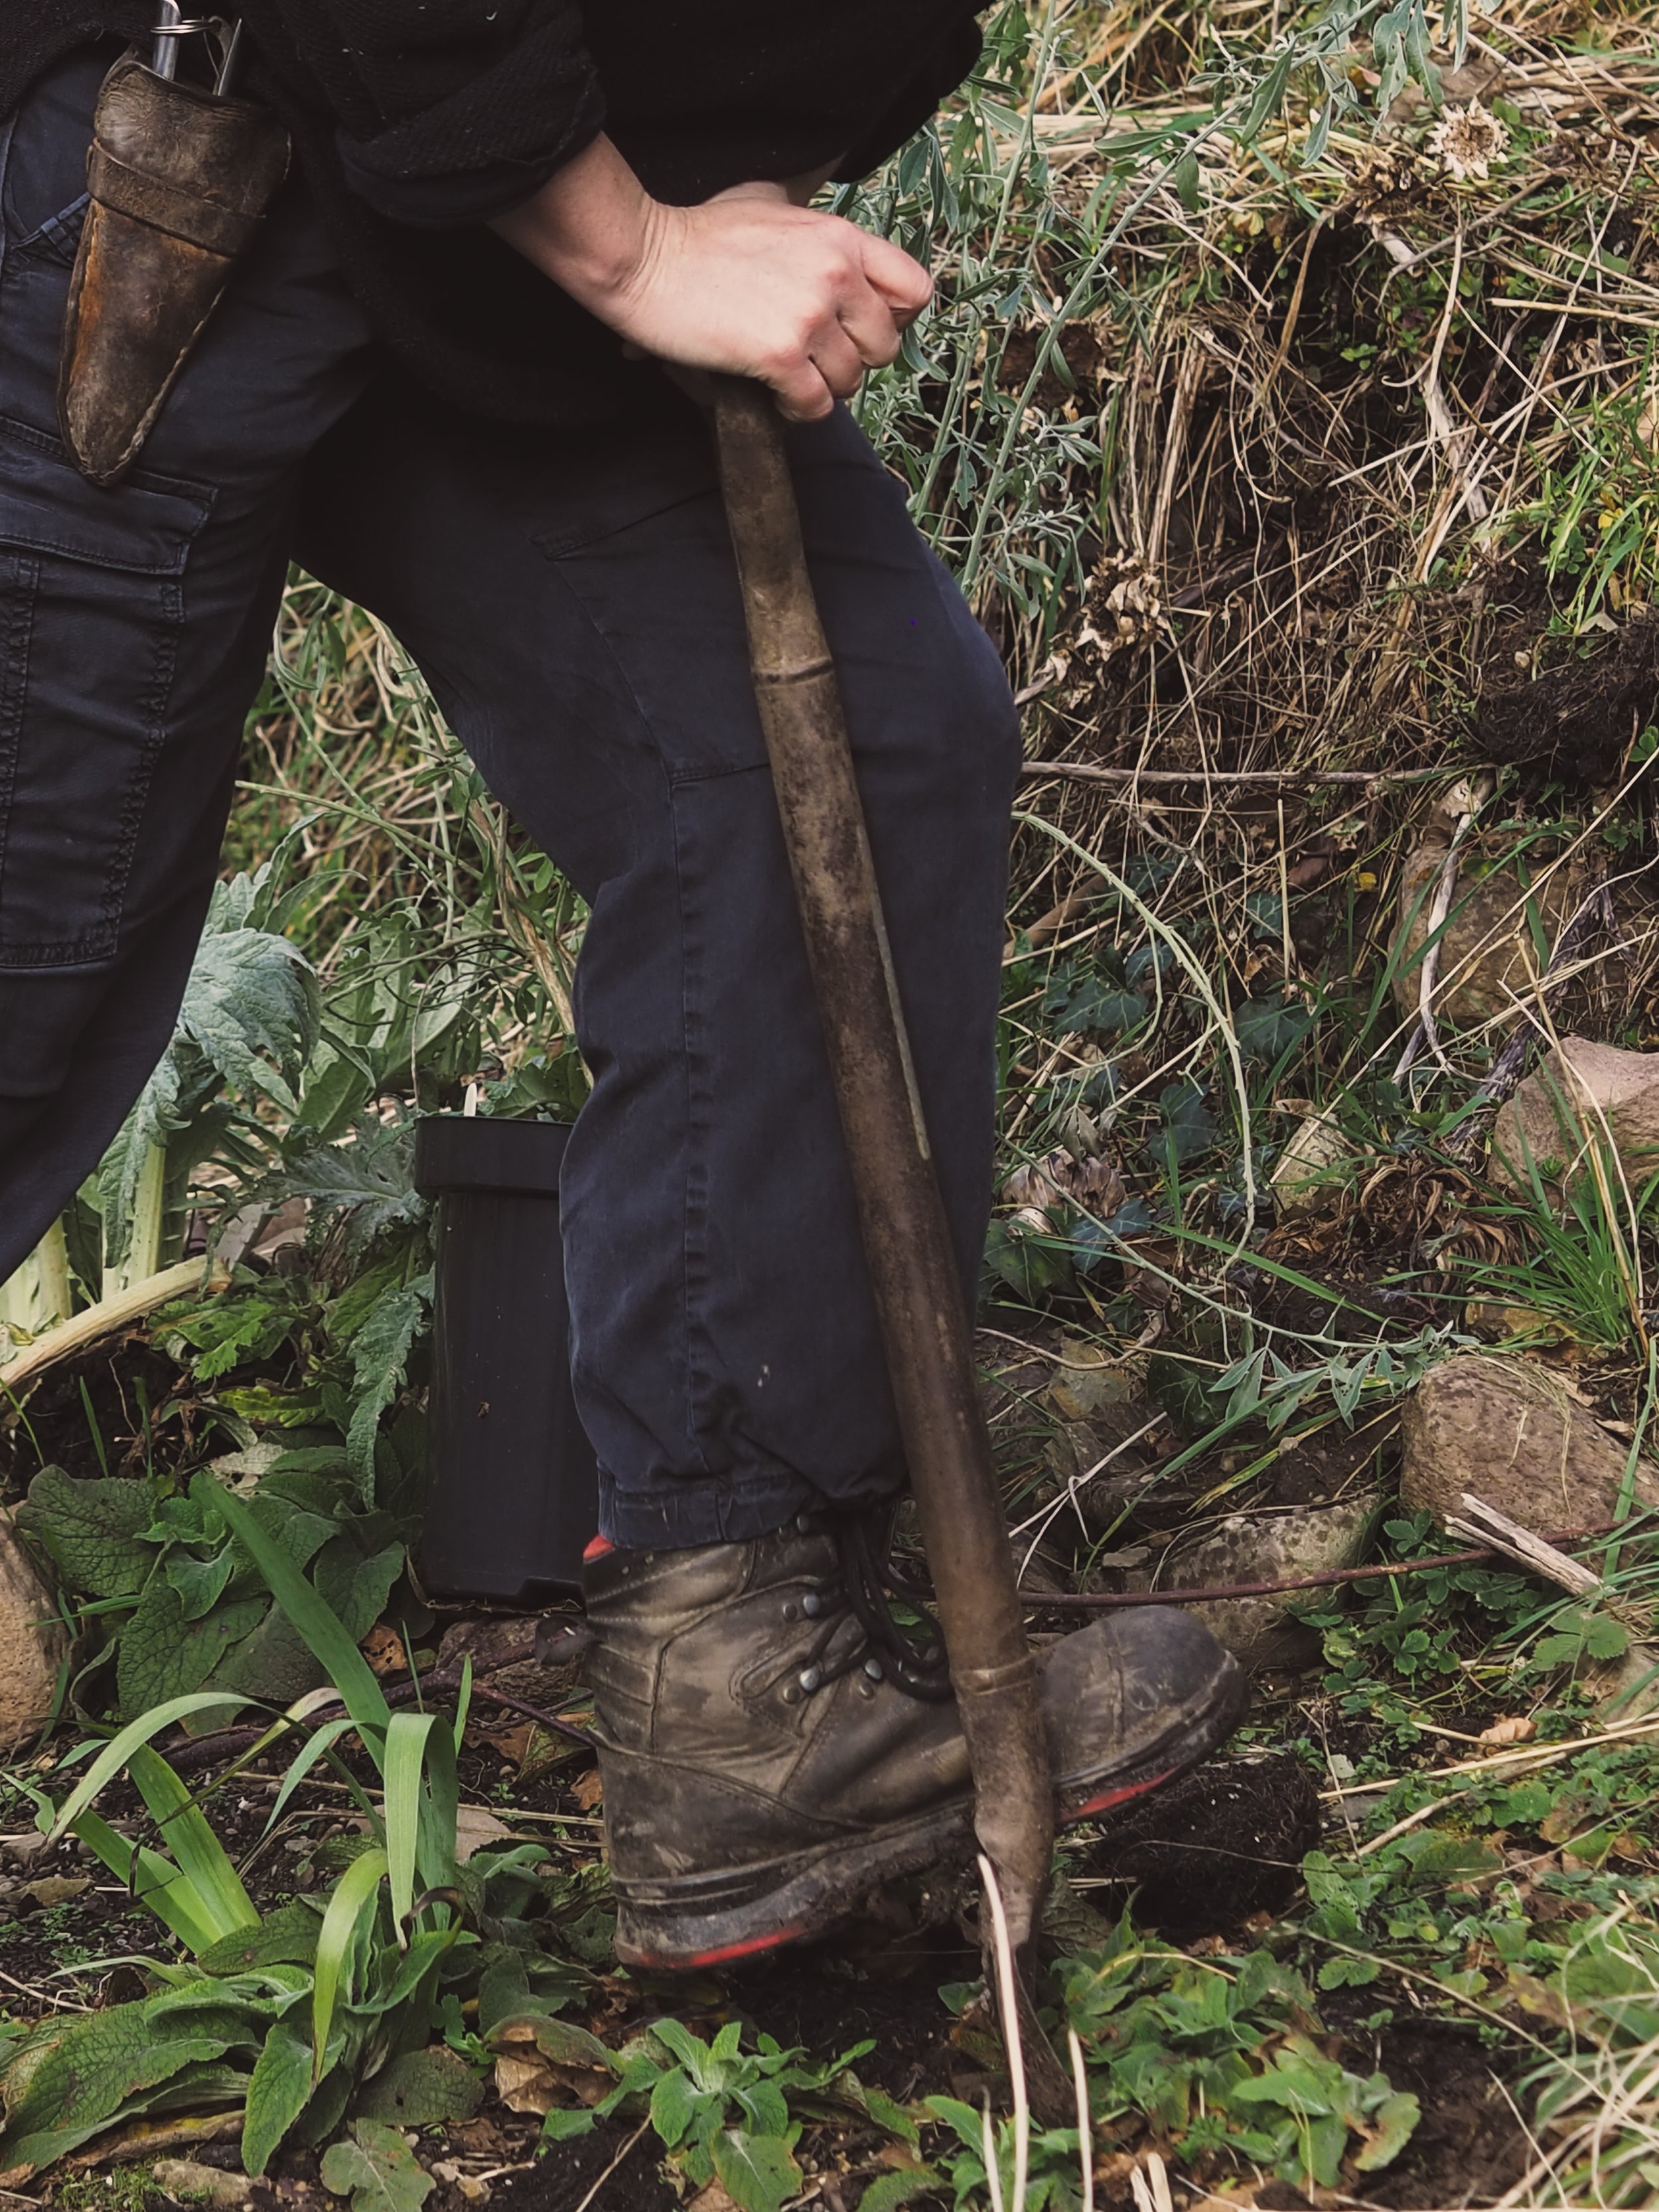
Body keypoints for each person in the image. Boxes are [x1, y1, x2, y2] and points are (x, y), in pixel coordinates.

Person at [0, 2, 1244, 1968]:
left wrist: (704, 157)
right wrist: (634, 247)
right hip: (159, 160)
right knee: (28, 969)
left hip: (463, 207)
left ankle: (742, 1682)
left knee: (848, 745)